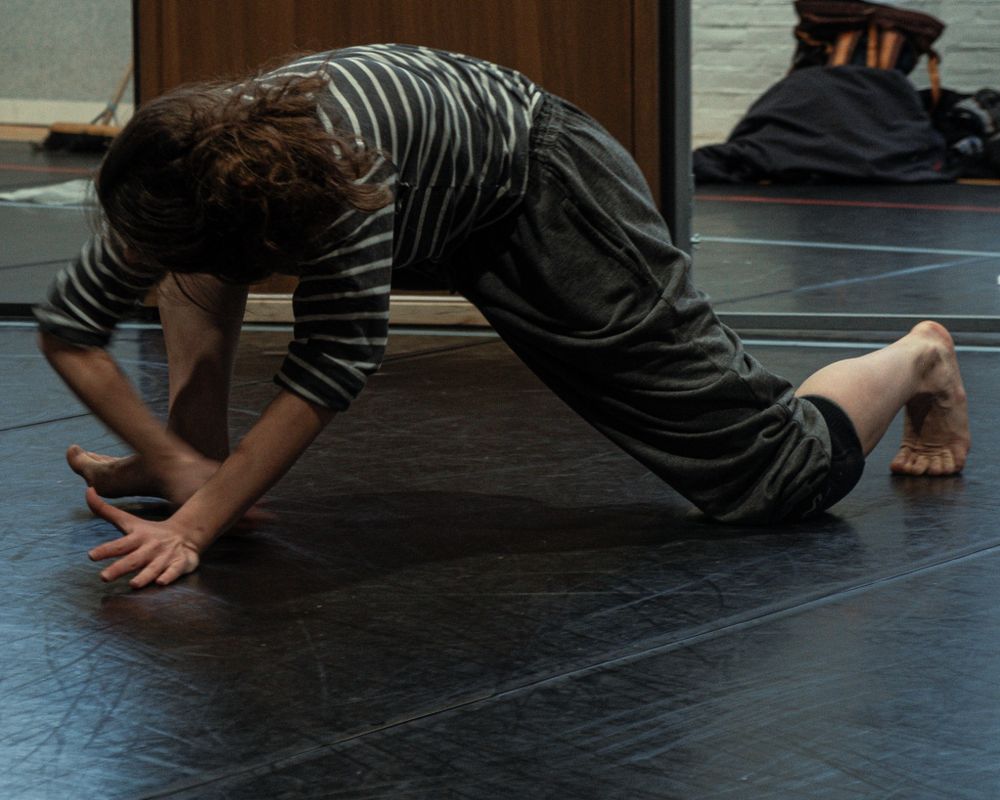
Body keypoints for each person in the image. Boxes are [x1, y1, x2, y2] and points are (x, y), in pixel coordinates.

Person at [35, 44, 970, 590]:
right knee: (188, 264)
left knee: (770, 480)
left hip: (536, 186)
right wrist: (176, 465)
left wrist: (194, 526)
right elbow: (71, 331)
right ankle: (195, 442)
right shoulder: (184, 164)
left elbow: (331, 367)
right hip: (429, 179)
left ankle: (915, 359)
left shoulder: (338, 172)